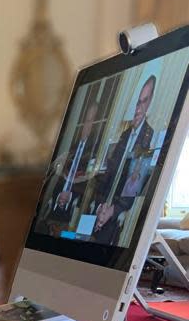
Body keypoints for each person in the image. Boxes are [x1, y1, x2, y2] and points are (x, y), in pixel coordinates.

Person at [91, 75, 156, 242]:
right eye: (137, 102)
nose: (138, 108)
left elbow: (135, 184)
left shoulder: (149, 136)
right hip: (103, 204)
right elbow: (110, 171)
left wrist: (113, 210)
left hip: (117, 211)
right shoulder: (125, 134)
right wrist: (100, 205)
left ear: (150, 102)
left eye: (144, 101)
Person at [45, 100, 101, 229]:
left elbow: (91, 186)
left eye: (92, 121)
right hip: (51, 210)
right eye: (86, 120)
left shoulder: (94, 151)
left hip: (71, 218)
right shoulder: (70, 147)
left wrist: (69, 195)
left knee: (66, 235)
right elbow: (54, 176)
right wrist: (59, 194)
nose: (88, 125)